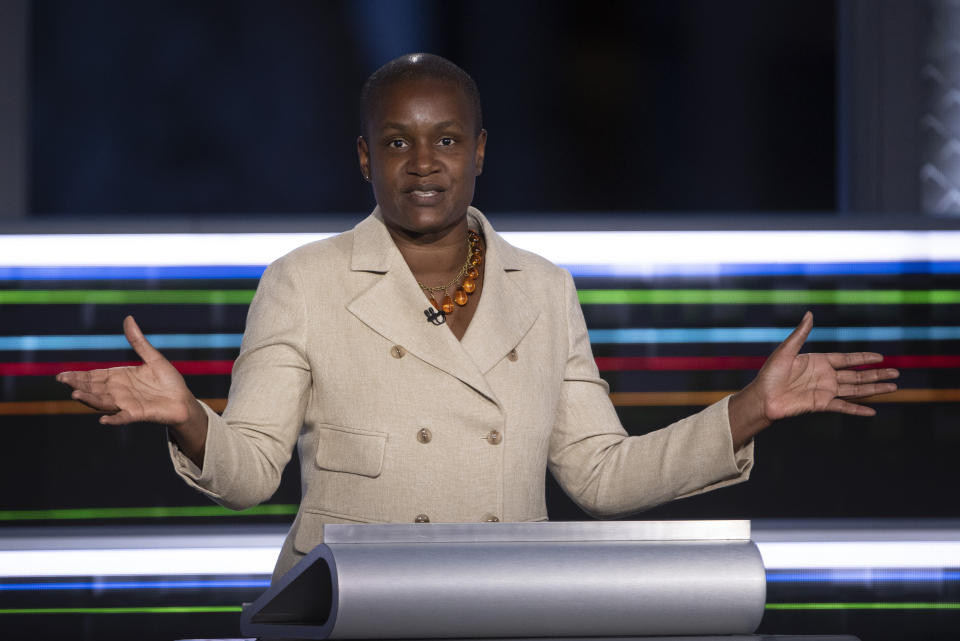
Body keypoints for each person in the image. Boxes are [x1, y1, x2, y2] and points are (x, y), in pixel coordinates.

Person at [56, 53, 900, 582]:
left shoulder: (545, 289)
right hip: (346, 609)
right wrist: (188, 417)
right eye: (397, 141)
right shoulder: (302, 282)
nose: (424, 163)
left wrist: (750, 408)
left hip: (505, 603)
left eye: (446, 140)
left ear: (480, 151)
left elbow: (602, 476)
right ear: (364, 158)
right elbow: (249, 475)